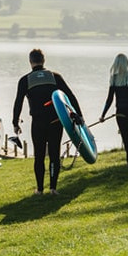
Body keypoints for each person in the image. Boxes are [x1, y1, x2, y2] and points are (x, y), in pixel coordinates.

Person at [12, 48, 82, 195]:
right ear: (44, 60)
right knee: (54, 154)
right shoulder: (55, 76)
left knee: (39, 156)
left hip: (38, 122)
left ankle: (39, 189)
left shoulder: (25, 80)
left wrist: (15, 122)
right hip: (55, 121)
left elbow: (18, 102)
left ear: (30, 61)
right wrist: (78, 115)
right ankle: (53, 188)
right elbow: (71, 97)